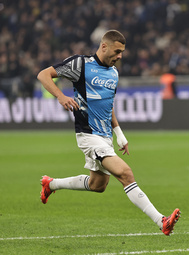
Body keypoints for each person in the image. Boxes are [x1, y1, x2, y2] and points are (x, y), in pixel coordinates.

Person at [37, 30, 180, 235]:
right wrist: (60, 96)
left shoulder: (114, 73)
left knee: (98, 185)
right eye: (117, 51)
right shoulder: (81, 65)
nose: (120, 56)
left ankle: (51, 184)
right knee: (126, 174)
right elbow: (43, 74)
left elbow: (107, 104)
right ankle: (161, 221)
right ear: (104, 46)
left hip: (105, 136)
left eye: (122, 52)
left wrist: (119, 133)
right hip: (88, 134)